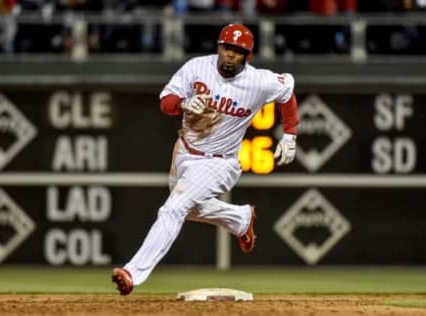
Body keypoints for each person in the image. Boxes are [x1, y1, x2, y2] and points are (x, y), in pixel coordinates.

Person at [112, 23, 299, 296]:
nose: (230, 55)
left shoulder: (259, 81)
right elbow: (165, 101)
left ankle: (132, 273)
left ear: (248, 55)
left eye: (238, 51)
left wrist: (290, 135)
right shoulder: (196, 67)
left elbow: (288, 91)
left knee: (172, 209)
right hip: (185, 151)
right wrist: (184, 103)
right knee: (188, 209)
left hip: (219, 162)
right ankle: (239, 218)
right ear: (218, 47)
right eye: (227, 48)